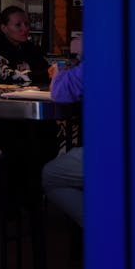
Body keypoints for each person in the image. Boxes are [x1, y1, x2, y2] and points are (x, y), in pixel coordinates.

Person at [41, 59, 84, 227]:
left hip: (117, 150)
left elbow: (60, 91)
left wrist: (59, 69)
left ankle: (106, 228)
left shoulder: (102, 55)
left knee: (51, 175)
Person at [0, 5, 50, 86]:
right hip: (0, 97)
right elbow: (8, 76)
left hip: (26, 96)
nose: (25, 29)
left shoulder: (29, 47)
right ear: (4, 28)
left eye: (26, 24)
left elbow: (44, 67)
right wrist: (45, 74)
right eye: (18, 25)